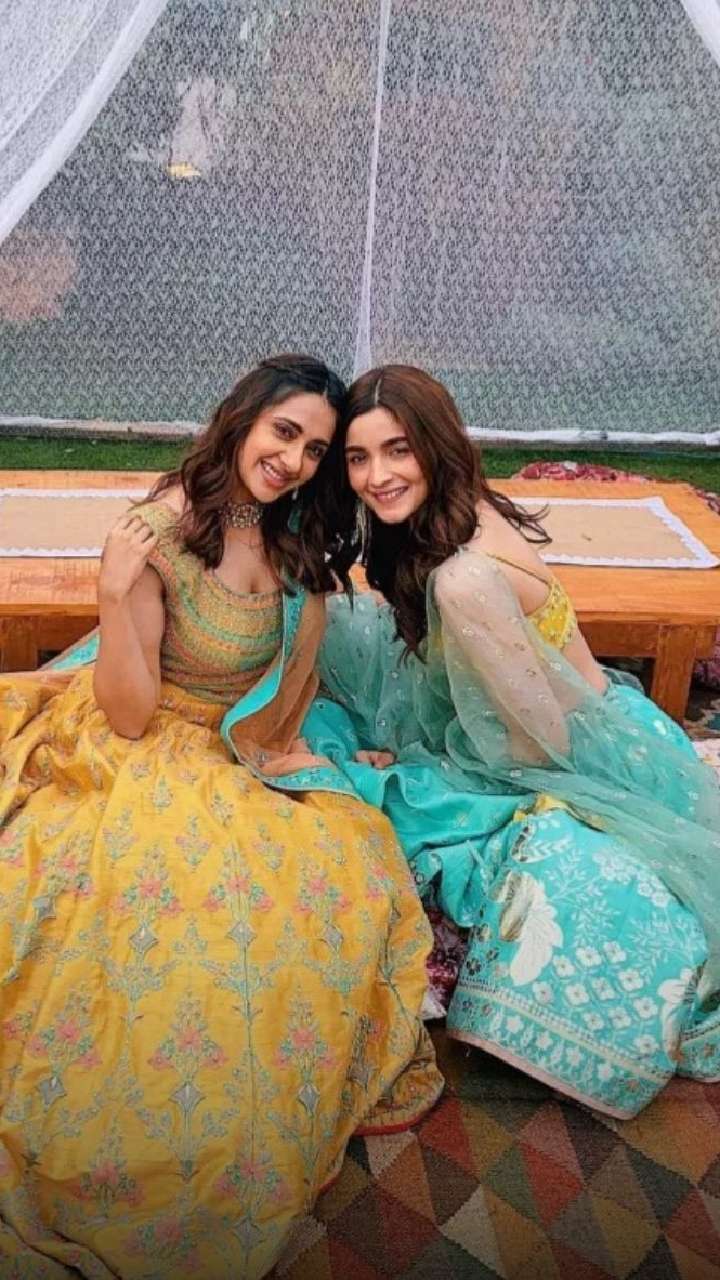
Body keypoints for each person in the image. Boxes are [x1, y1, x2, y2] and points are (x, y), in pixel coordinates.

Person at [0, 355, 442, 1280]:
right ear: (243, 419)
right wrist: (113, 593)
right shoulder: (163, 533)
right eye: (285, 433)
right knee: (156, 921)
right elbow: (128, 714)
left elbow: (289, 678)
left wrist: (297, 748)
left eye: (315, 449)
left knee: (337, 870)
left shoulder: (292, 532)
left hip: (243, 745)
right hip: (149, 740)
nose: (294, 460)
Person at [304, 363, 720, 1119]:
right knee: (323, 635)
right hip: (580, 720)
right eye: (358, 458)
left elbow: (542, 742)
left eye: (397, 450)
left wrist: (419, 765)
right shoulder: (453, 516)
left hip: (582, 754)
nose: (376, 476)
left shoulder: (464, 579)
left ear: (434, 445)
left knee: (382, 797)